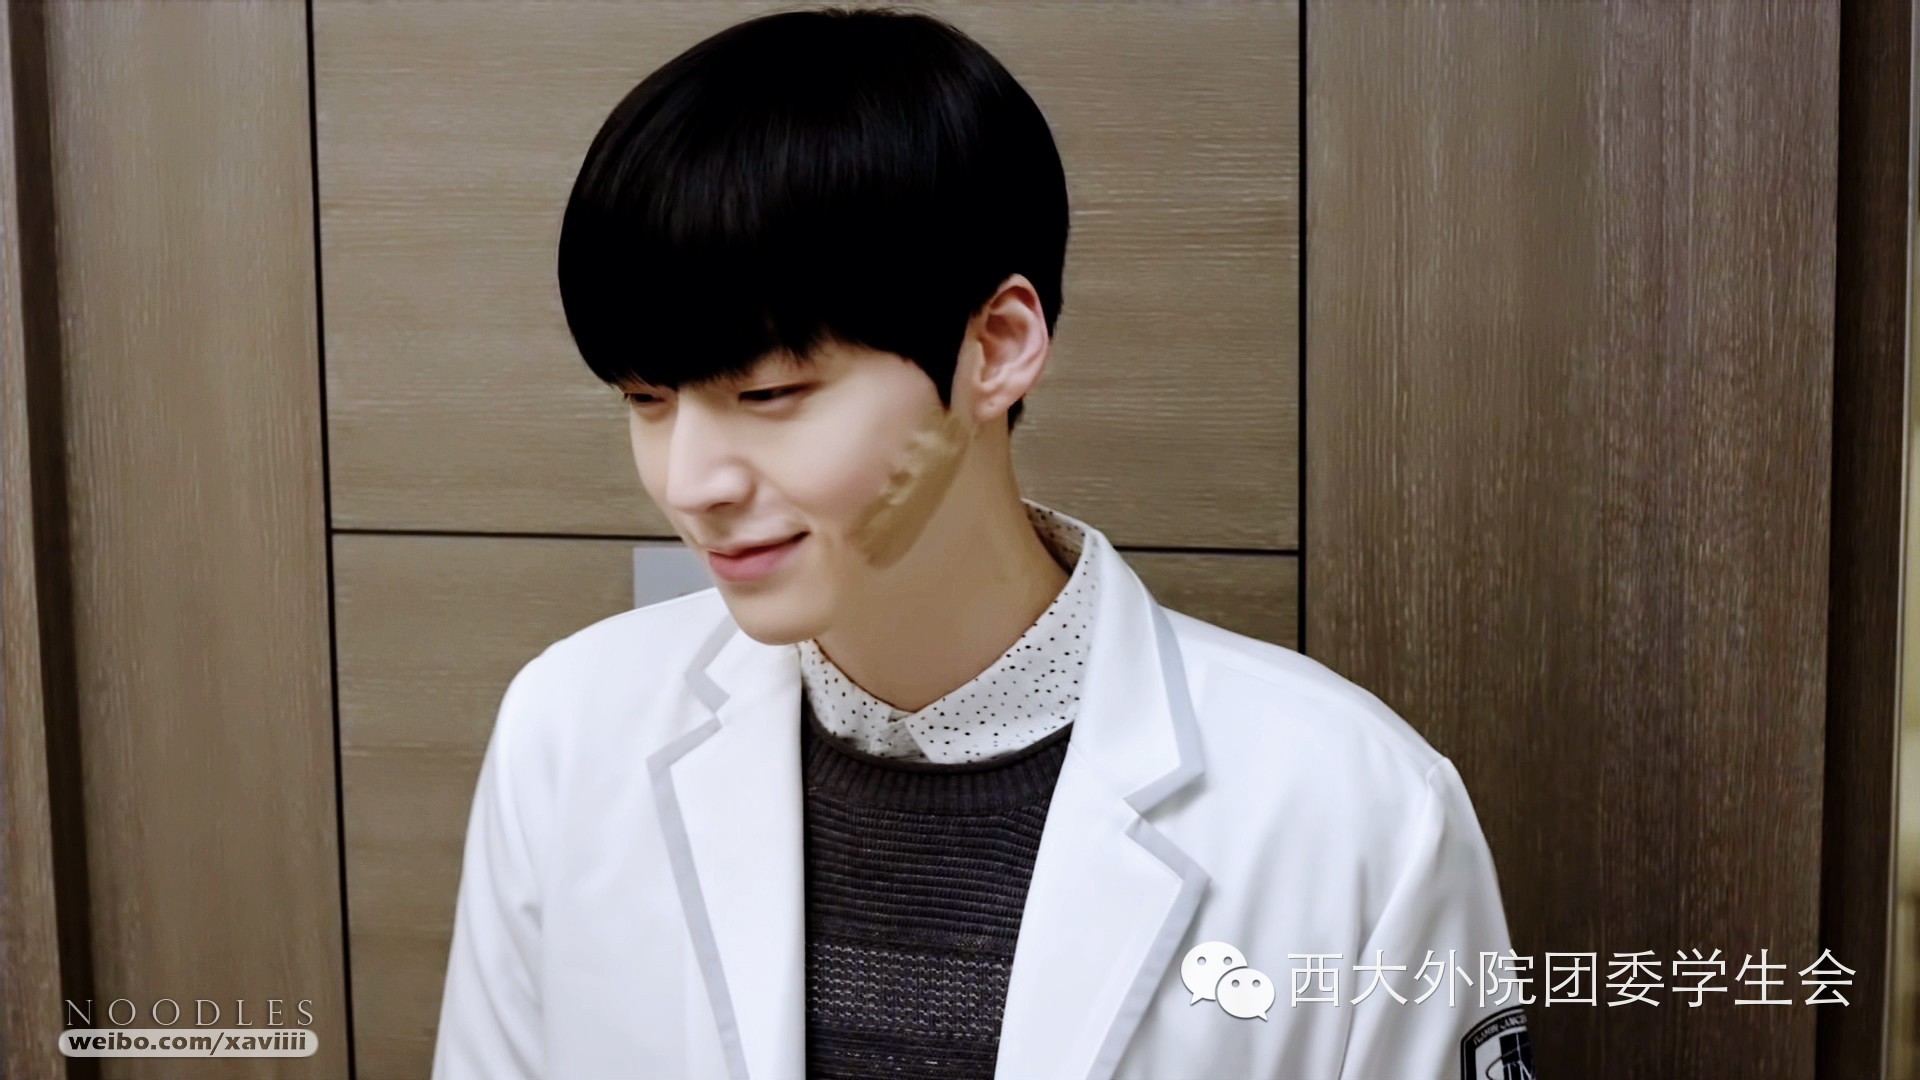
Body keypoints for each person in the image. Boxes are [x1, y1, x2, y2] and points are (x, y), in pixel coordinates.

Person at [432, 7, 1533, 1079]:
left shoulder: (1352, 809)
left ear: (997, 347)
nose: (689, 483)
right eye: (646, 399)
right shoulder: (567, 732)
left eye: (768, 394)